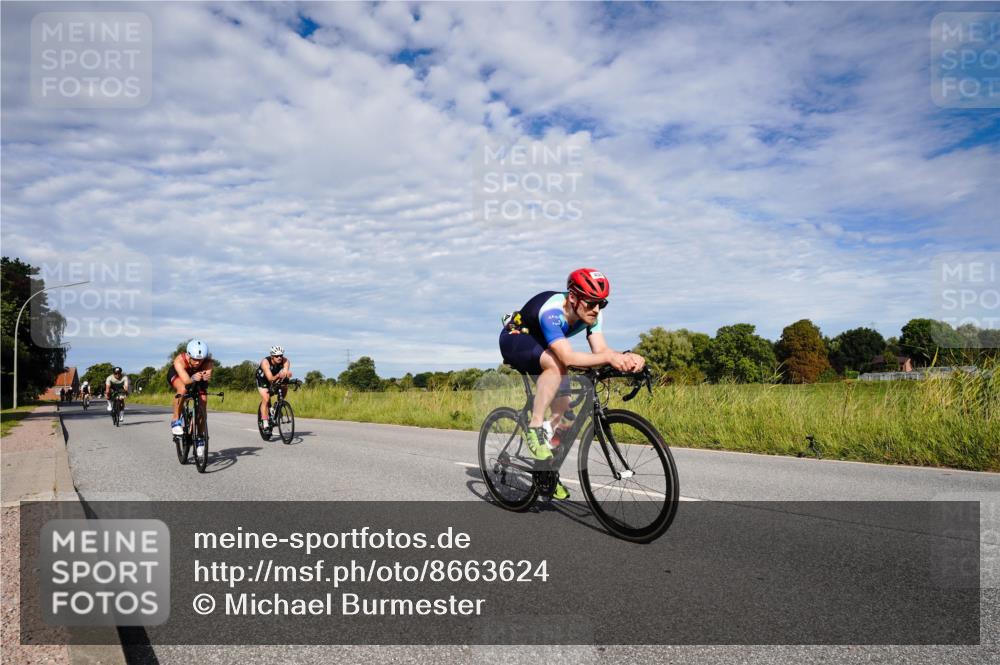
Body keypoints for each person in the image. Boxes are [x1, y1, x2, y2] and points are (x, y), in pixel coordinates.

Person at [499, 268, 646, 499]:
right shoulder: (552, 312)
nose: (596, 309)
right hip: (517, 338)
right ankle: (535, 427)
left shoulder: (593, 314)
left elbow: (601, 351)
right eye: (591, 303)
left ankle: (545, 472)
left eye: (602, 303)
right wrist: (610, 358)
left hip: (545, 344)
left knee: (565, 414)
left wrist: (627, 357)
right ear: (573, 298)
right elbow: (567, 357)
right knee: (558, 366)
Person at [167, 340, 214, 457]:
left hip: (197, 377)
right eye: (195, 359)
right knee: (183, 389)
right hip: (179, 375)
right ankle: (175, 420)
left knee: (203, 401)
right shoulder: (179, 360)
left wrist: (205, 377)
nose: (198, 363)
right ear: (188, 355)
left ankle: (200, 438)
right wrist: (193, 377)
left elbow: (206, 381)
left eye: (200, 360)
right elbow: (187, 381)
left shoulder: (208, 362)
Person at [255, 345, 293, 430]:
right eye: (277, 356)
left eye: (281, 355)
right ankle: (265, 422)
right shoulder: (265, 362)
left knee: (284, 385)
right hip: (263, 380)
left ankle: (279, 405)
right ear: (272, 356)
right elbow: (270, 379)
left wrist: (287, 375)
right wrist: (279, 375)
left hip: (274, 377)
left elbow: (286, 372)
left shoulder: (286, 361)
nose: (279, 357)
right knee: (266, 398)